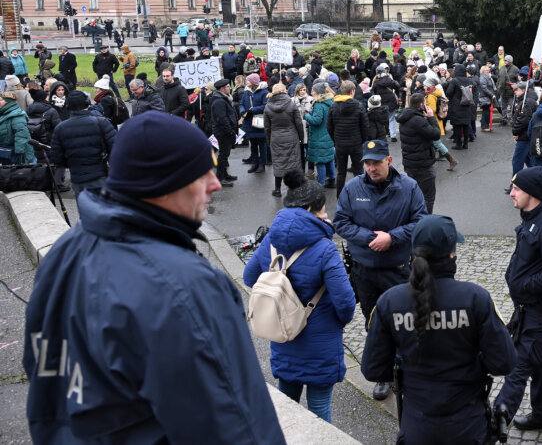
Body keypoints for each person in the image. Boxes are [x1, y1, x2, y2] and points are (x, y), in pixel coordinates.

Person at [25, 112, 285, 443]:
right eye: (201, 172)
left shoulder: (65, 250)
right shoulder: (184, 288)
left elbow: (42, 374)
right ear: (164, 182)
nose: (215, 182)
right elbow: (236, 426)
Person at [361, 214, 516, 443]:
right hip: (468, 426)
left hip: (417, 427)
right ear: (451, 253)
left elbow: (373, 369)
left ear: (413, 251)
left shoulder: (389, 302)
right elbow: (504, 362)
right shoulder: (475, 298)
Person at [243, 169, 356, 423]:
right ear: (310, 210)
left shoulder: (271, 239)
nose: (326, 214)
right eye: (323, 209)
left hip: (283, 335)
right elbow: (346, 303)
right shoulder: (324, 248)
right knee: (319, 410)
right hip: (321, 343)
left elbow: (250, 278)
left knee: (287, 410)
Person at [333, 139, 426, 400]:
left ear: (389, 161)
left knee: (403, 321)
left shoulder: (409, 187)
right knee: (373, 322)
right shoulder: (353, 188)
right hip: (364, 272)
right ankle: (384, 375)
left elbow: (421, 221)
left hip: (397, 270)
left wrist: (392, 238)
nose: (371, 168)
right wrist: (368, 238)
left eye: (376, 162)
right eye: (367, 163)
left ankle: (404, 371)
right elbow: (341, 221)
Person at [494, 166, 542, 433]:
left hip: (538, 310)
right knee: (539, 362)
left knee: (519, 365)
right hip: (526, 308)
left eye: (517, 189)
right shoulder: (530, 216)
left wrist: (525, 287)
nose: (512, 194)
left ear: (533, 194)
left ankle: (493, 426)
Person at [397, 92, 442, 212]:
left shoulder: (404, 117)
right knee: (428, 196)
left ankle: (415, 220)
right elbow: (436, 134)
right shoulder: (418, 120)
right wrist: (431, 117)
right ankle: (425, 223)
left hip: (410, 162)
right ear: (421, 105)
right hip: (422, 164)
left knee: (415, 195)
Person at [265, 82, 305, 197]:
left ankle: (277, 189)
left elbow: (267, 127)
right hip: (291, 136)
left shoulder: (268, 106)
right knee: (293, 163)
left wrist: (269, 140)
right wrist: (301, 138)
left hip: (276, 138)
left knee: (278, 163)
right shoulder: (291, 104)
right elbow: (298, 123)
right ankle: (295, 189)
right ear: (283, 91)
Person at [327, 80, 370, 187]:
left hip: (340, 144)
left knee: (341, 172)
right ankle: (359, 195)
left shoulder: (333, 106)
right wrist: (362, 140)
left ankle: (340, 197)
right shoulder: (359, 105)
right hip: (356, 143)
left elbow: (329, 126)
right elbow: (365, 126)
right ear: (352, 92)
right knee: (359, 171)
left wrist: (335, 139)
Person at [304, 82, 337, 188]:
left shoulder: (319, 104)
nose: (311, 92)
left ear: (318, 92)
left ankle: (320, 184)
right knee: (329, 158)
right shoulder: (330, 102)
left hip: (319, 136)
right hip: (328, 134)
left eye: (313, 90)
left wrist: (307, 116)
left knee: (320, 160)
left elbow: (316, 121)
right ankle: (332, 180)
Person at [209, 78, 238, 187]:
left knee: (225, 154)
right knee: (223, 155)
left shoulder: (223, 98)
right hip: (223, 132)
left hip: (225, 131)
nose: (230, 88)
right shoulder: (219, 101)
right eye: (227, 87)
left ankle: (224, 175)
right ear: (222, 89)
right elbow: (222, 118)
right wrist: (230, 130)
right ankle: (220, 178)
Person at [240, 73, 269, 173]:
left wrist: (253, 110)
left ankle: (262, 164)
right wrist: (242, 110)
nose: (246, 82)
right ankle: (254, 163)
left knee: (262, 144)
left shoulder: (264, 92)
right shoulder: (246, 92)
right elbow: (242, 104)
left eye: (248, 80)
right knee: (252, 144)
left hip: (259, 121)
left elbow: (266, 106)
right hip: (249, 121)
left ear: (253, 82)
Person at [0, 92, 34, 164]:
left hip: (13, 154)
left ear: (7, 102)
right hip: (4, 152)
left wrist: (19, 155)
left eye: (0, 100)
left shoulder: (17, 115)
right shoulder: (3, 113)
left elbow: (21, 135)